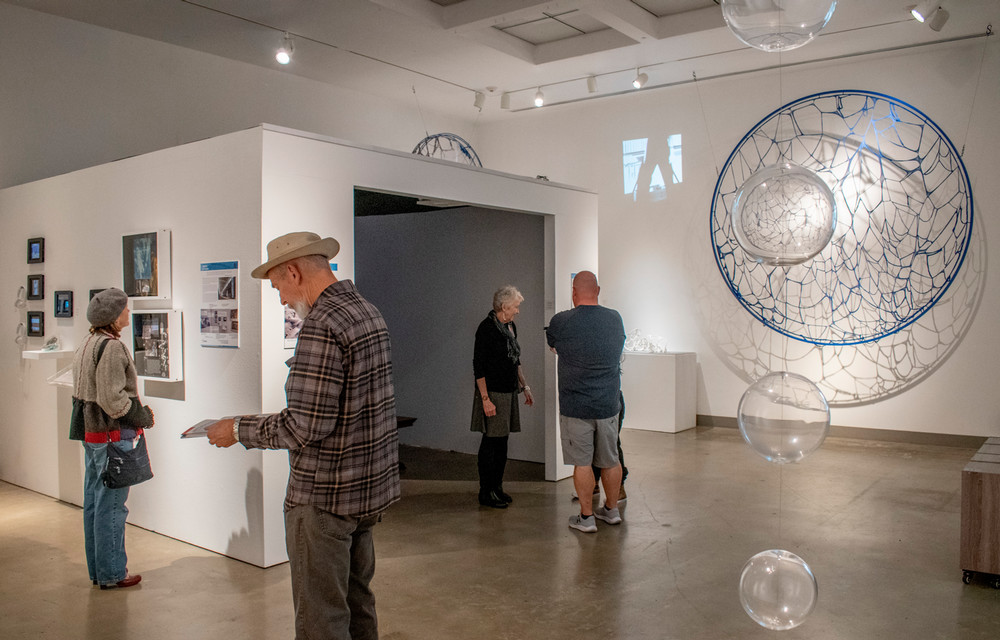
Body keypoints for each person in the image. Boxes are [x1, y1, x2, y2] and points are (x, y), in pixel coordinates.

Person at [206, 231, 400, 640]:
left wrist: (237, 429)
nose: (279, 298)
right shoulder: (367, 311)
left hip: (325, 497)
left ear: (293, 271)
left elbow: (304, 426)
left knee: (321, 618)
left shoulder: (322, 325)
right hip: (365, 492)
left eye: (277, 285)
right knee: (357, 601)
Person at [71, 287, 155, 589]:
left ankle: (99, 571)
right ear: (113, 316)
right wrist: (140, 414)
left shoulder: (87, 343)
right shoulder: (113, 347)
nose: (128, 314)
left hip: (93, 436)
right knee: (113, 506)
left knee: (94, 502)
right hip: (112, 436)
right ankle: (112, 574)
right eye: (124, 310)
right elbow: (112, 399)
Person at [545, 271, 626, 533]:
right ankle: (612, 511)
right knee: (611, 460)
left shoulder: (561, 321)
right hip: (608, 403)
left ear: (573, 291)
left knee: (582, 462)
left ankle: (586, 517)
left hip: (576, 405)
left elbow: (554, 348)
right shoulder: (615, 319)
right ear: (598, 290)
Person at [471, 285, 534, 508]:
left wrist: (524, 386)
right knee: (491, 443)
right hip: (493, 393)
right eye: (516, 306)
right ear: (505, 306)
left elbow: (514, 360)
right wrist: (485, 399)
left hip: (508, 391)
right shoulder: (487, 328)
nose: (518, 310)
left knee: (502, 443)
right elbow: (479, 367)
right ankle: (486, 491)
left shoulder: (509, 326)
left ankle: (497, 487)